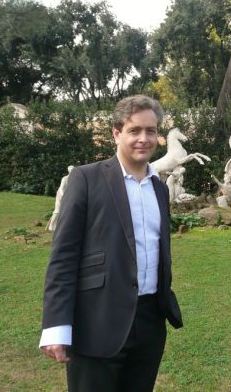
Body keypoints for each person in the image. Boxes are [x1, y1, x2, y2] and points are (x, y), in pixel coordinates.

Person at [40, 95, 183, 392]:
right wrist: (56, 326)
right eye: (134, 130)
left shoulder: (159, 187)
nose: (144, 139)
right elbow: (64, 256)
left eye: (151, 131)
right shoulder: (87, 179)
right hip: (97, 321)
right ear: (116, 133)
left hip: (149, 322)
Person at [46, 165, 74, 231]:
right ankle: (51, 226)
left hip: (68, 196)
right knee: (57, 211)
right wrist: (63, 195)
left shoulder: (74, 179)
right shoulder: (65, 178)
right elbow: (61, 188)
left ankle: (61, 225)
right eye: (72, 170)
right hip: (61, 195)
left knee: (66, 211)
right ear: (69, 171)